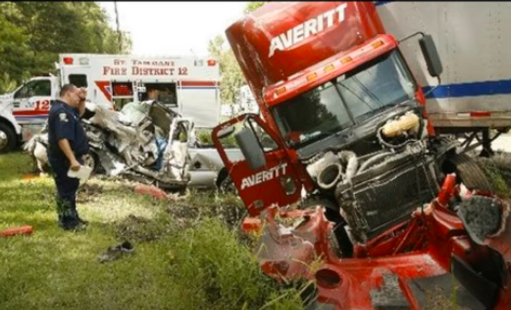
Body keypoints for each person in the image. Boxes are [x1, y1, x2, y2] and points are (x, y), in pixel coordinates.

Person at [47, 84, 89, 231]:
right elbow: (62, 139)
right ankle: (68, 223)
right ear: (69, 93)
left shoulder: (68, 110)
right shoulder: (60, 112)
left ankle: (72, 217)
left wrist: (83, 99)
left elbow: (80, 113)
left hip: (70, 157)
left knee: (70, 189)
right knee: (65, 191)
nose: (79, 98)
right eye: (77, 95)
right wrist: (72, 160)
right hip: (63, 158)